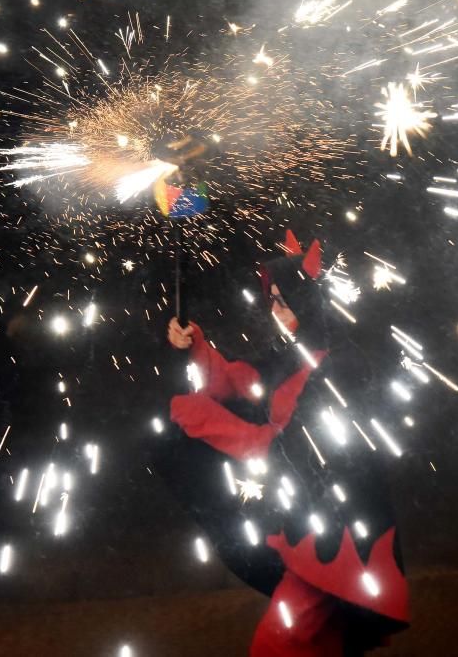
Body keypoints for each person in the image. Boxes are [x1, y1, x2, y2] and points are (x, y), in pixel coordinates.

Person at [158, 230, 409, 656]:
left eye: (281, 299)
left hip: (339, 540)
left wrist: (204, 420)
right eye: (271, 297)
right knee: (318, 643)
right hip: (311, 533)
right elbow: (238, 380)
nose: (272, 308)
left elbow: (284, 449)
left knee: (282, 643)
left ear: (307, 303)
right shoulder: (291, 352)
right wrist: (196, 342)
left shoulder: (337, 367)